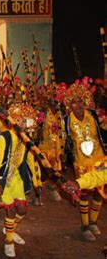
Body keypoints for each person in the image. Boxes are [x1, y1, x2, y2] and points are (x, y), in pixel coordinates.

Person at [0, 103, 42, 258]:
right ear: (14, 121)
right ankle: (8, 241)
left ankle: (9, 229)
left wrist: (37, 181)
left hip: (17, 179)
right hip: (3, 180)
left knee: (22, 210)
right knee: (10, 211)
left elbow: (31, 159)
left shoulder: (26, 139)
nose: (24, 124)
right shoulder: (4, 137)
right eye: (21, 121)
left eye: (26, 121)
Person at [63, 79, 106, 241]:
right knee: (85, 193)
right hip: (81, 162)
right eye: (74, 103)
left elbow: (105, 132)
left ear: (85, 102)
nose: (78, 105)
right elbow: (65, 141)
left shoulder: (95, 115)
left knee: (99, 193)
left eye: (80, 102)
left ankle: (94, 222)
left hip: (100, 160)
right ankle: (85, 225)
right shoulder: (67, 121)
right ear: (70, 105)